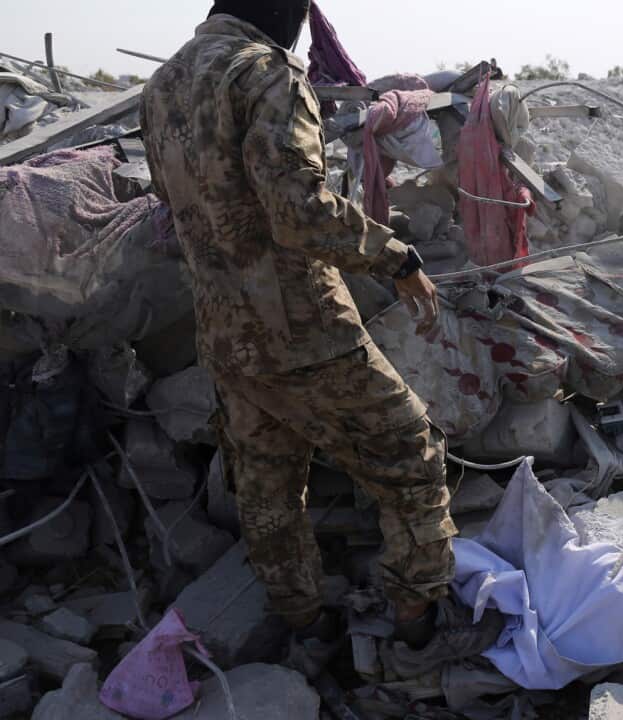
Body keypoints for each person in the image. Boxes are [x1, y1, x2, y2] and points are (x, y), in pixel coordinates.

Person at [139, 0, 461, 662]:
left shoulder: (164, 83)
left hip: (225, 335)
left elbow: (172, 203)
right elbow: (299, 210)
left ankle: (305, 627)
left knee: (268, 488)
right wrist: (396, 258)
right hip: (303, 330)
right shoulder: (264, 72)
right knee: (410, 452)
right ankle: (416, 625)